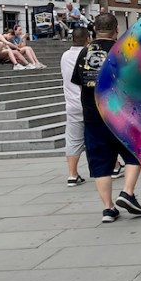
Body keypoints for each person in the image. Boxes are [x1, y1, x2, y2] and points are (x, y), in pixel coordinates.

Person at [71, 12, 141, 222]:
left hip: (93, 115)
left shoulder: (84, 52)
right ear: (116, 30)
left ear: (95, 29)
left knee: (100, 161)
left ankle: (108, 208)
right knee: (135, 152)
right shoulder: (122, 50)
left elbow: (79, 82)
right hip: (120, 112)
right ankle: (128, 192)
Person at [60, 28, 89, 186]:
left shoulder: (65, 56)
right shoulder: (87, 55)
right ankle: (114, 166)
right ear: (87, 39)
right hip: (88, 103)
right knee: (99, 136)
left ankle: (72, 174)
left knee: (73, 139)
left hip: (71, 104)